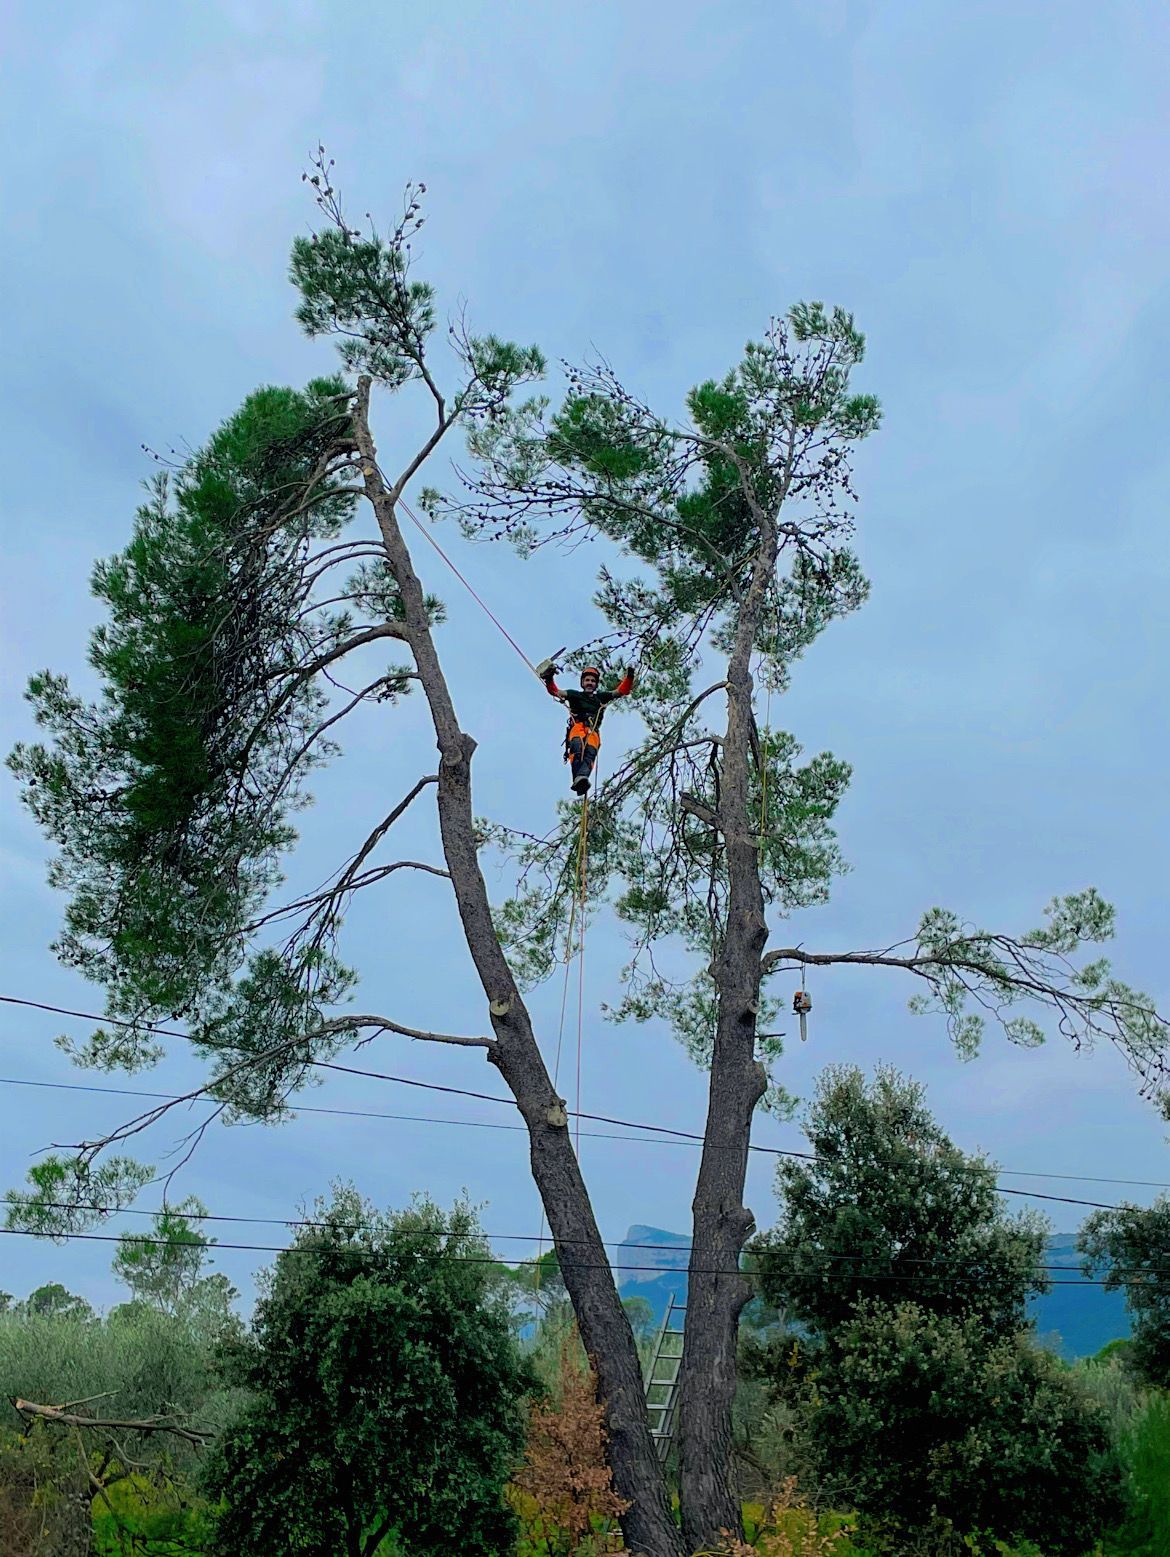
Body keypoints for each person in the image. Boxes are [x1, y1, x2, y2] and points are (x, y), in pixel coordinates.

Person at [540, 662, 635, 795]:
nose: (590, 683)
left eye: (592, 681)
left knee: (590, 752)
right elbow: (555, 692)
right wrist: (549, 678)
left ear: (596, 684)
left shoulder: (601, 698)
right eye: (587, 680)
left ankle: (581, 779)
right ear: (582, 683)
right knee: (577, 746)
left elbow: (621, 691)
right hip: (578, 726)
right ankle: (578, 779)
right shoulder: (575, 695)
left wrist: (629, 678)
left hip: (593, 730)